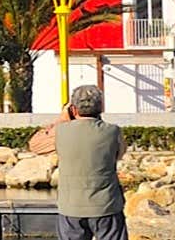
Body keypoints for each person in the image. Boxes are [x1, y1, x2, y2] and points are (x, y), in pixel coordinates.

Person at [30, 84, 125, 240]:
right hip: (106, 205)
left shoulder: (61, 131)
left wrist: (61, 119)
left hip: (70, 208)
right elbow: (119, 155)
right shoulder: (113, 131)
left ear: (73, 109)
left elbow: (35, 145)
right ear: (101, 106)